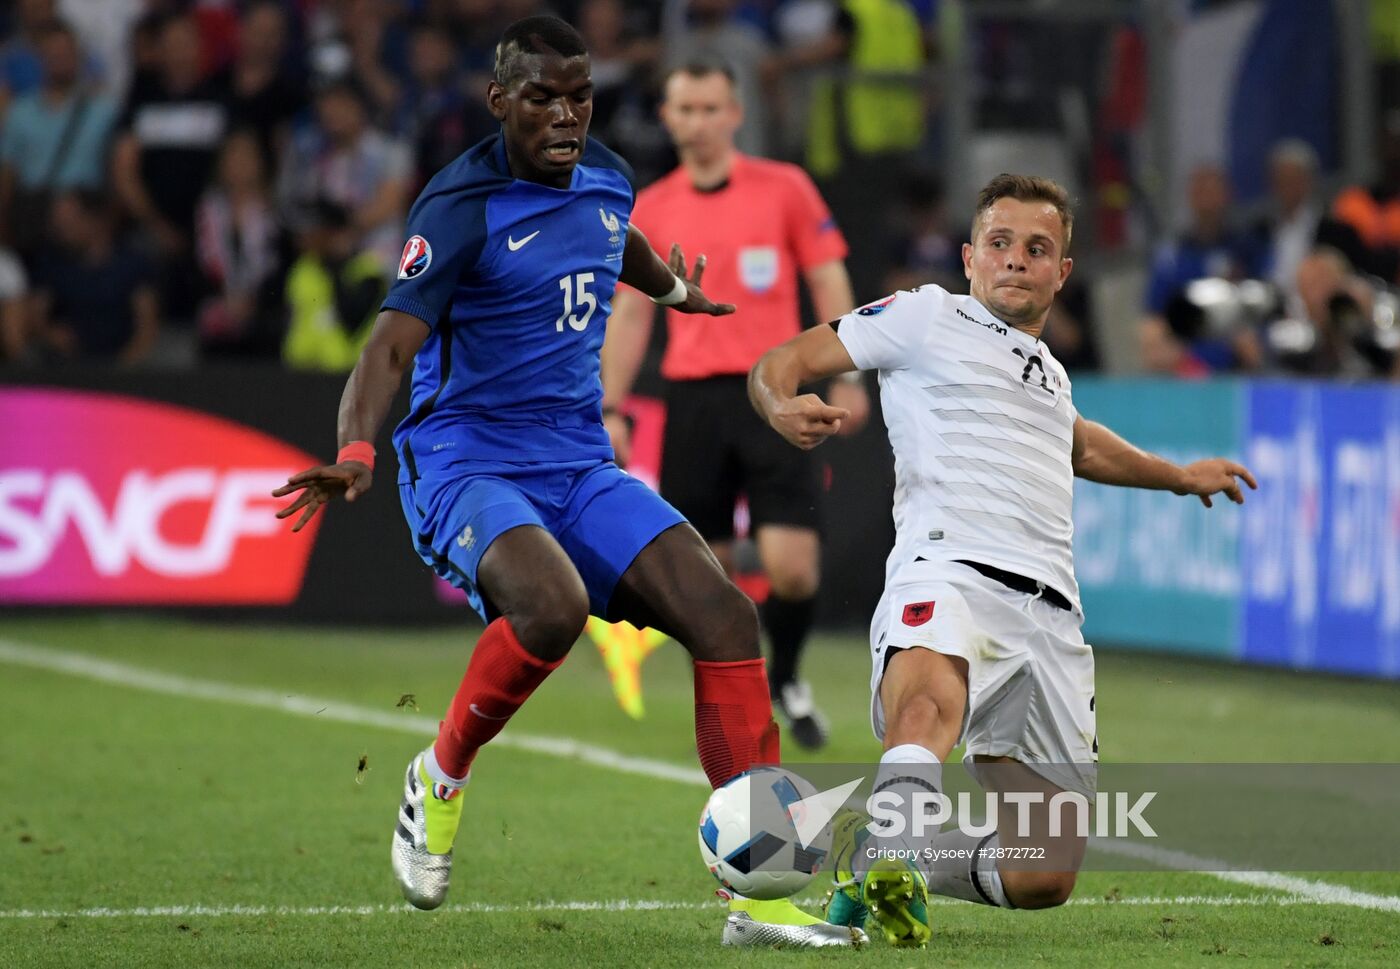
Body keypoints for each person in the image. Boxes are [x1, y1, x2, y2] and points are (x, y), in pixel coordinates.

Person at [272, 16, 863, 949]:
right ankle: (439, 777)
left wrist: (673, 292)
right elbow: (388, 346)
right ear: (499, 100)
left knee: (725, 616)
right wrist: (357, 451)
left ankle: (758, 898)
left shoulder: (608, 177)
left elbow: (614, 237)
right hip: (467, 460)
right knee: (551, 606)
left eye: (579, 96)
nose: (565, 115)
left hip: (578, 461)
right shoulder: (458, 205)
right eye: (542, 97)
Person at [749, 174, 1256, 946]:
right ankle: (897, 845)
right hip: (947, 570)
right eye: (1000, 243)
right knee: (927, 706)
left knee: (1043, 872)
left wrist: (1179, 476)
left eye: (1037, 248)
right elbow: (784, 359)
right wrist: (779, 401)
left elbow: (1081, 443)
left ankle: (885, 858)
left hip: (1050, 618)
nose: (1016, 259)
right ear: (969, 258)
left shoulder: (1049, 374)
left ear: (1063, 272)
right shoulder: (924, 316)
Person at [602, 59, 867, 750]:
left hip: (775, 392)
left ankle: (789, 675)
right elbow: (631, 315)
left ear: (736, 113)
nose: (698, 123)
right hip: (694, 401)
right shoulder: (651, 207)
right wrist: (611, 407)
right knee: (706, 577)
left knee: (794, 567)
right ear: (667, 117)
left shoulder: (785, 189)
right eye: (685, 110)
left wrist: (848, 371)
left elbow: (827, 277)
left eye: (710, 108)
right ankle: (736, 708)